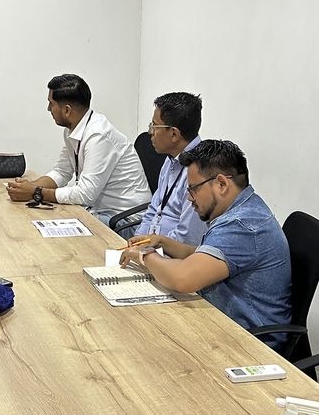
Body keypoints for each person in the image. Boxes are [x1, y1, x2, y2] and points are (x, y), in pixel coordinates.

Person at [120, 140, 291, 351]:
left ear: (221, 184)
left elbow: (183, 279)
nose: (189, 198)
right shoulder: (243, 209)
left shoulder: (242, 226)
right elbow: (206, 257)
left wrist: (144, 255)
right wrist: (162, 241)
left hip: (249, 344)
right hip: (225, 324)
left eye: (193, 189)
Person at [7, 74, 151, 225]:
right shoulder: (73, 130)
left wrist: (36, 192)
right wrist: (28, 187)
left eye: (51, 103)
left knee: (47, 224)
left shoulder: (98, 135)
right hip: (99, 211)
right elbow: (61, 172)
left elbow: (85, 195)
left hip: (125, 220)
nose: (48, 109)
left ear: (67, 110)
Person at [133, 92, 207, 245]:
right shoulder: (171, 160)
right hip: (151, 247)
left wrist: (149, 251)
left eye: (154, 126)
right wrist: (136, 243)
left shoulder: (200, 171)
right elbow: (153, 210)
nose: (150, 132)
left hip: (171, 254)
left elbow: (187, 239)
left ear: (174, 134)